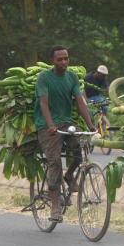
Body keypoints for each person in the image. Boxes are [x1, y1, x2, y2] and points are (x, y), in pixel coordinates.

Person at [34, 45, 96, 223]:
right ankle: (55, 208)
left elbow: (80, 102)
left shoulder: (72, 78)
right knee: (54, 162)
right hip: (47, 125)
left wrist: (90, 124)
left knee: (79, 153)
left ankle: (69, 176)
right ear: (52, 61)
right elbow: (44, 103)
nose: (63, 62)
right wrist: (50, 125)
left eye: (66, 58)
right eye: (59, 59)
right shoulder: (44, 78)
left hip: (66, 122)